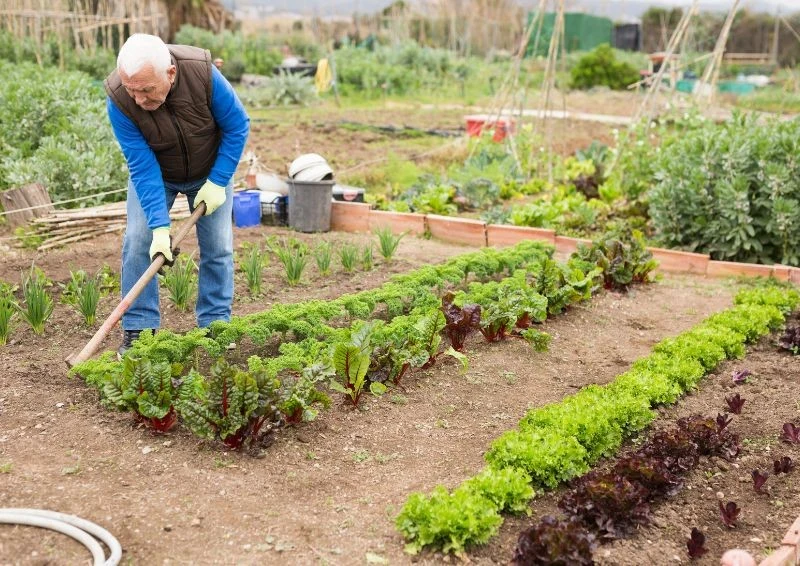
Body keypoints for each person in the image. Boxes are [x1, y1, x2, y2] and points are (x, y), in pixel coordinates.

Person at [104, 33, 250, 357]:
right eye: (132, 90)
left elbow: (238, 125)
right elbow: (141, 166)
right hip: (158, 175)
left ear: (170, 73)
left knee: (218, 249)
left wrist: (219, 180)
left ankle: (214, 327)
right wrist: (159, 226)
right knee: (139, 242)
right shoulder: (118, 99)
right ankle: (139, 331)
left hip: (211, 170)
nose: (139, 100)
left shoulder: (202, 73)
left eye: (146, 90)